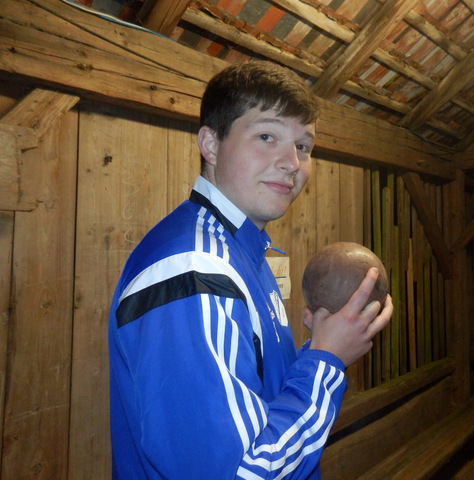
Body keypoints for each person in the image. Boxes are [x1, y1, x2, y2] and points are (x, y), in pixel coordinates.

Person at [108, 60, 393, 479]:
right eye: (266, 136)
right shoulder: (194, 270)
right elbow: (240, 471)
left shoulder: (241, 251)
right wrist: (327, 361)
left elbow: (255, 395)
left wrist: (322, 345)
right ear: (211, 144)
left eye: (303, 146)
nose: (292, 163)